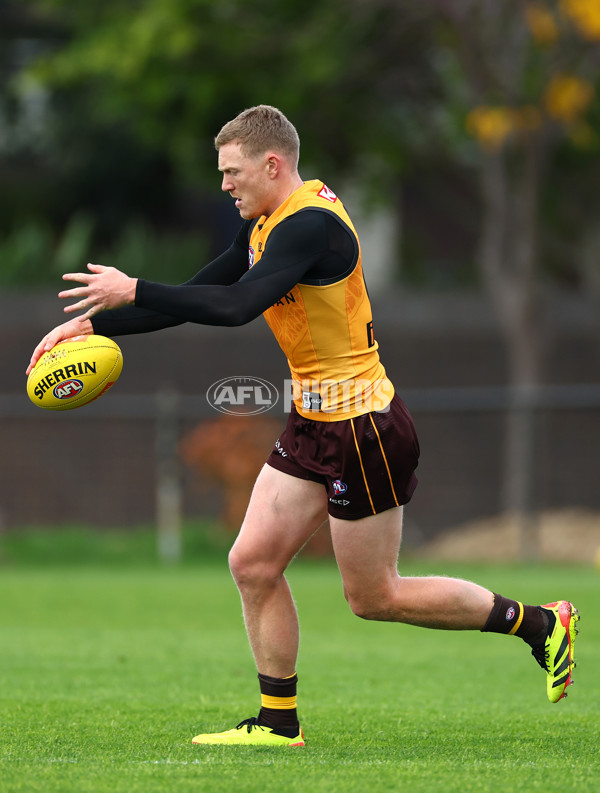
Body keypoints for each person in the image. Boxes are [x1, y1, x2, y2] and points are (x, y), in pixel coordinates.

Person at [27, 105, 579, 747]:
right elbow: (204, 291)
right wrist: (95, 325)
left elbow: (235, 309)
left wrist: (136, 287)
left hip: (364, 429)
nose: (225, 185)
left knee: (375, 597)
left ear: (272, 164)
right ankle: (276, 723)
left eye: (232, 173)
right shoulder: (264, 222)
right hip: (315, 421)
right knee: (253, 563)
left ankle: (538, 624)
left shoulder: (310, 225)